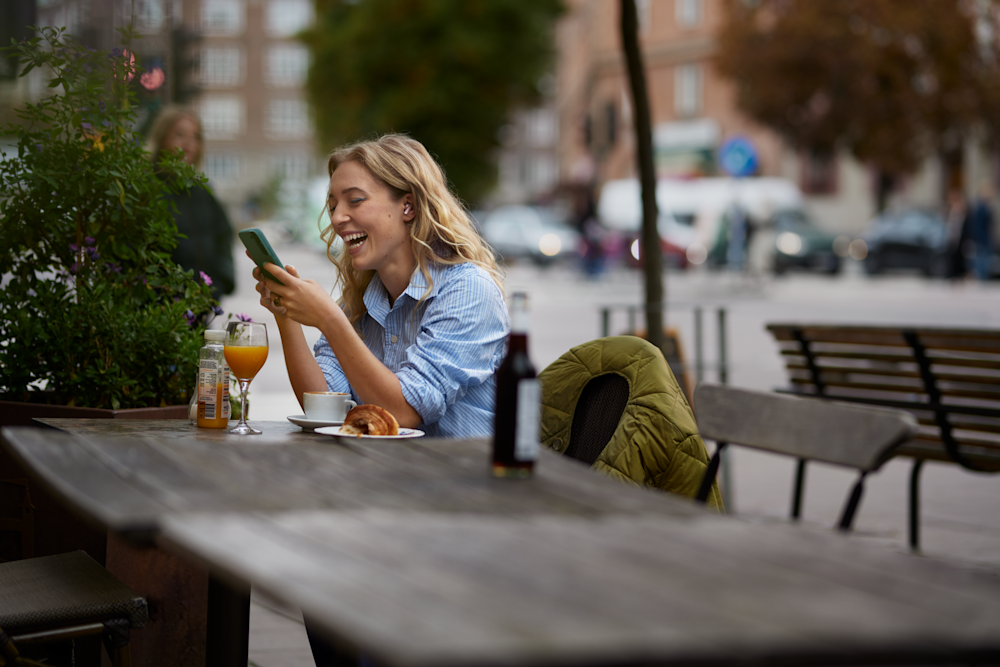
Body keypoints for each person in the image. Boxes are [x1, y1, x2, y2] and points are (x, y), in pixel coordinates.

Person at [253, 134, 509, 438]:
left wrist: (329, 320)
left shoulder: (468, 290)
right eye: (333, 205)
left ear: (408, 207)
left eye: (355, 200)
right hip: (388, 474)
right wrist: (287, 316)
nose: (336, 218)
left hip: (464, 478)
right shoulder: (360, 301)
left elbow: (402, 413)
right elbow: (324, 408)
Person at [148, 106, 235, 299]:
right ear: (161, 138)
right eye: (179, 135)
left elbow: (224, 236)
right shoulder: (147, 188)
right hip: (159, 309)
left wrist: (221, 283)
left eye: (195, 137)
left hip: (202, 303)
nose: (188, 144)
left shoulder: (202, 191)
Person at [945, 187, 972, 281]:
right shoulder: (954, 209)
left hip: (956, 239)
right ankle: (956, 274)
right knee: (954, 258)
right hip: (955, 238)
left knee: (957, 258)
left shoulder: (958, 210)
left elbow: (956, 227)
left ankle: (957, 275)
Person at [970, 181, 995, 282]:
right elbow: (978, 225)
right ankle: (981, 277)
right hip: (982, 238)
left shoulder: (986, 207)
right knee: (981, 258)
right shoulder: (981, 208)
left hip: (985, 237)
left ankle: (982, 276)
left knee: (984, 258)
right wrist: (981, 237)